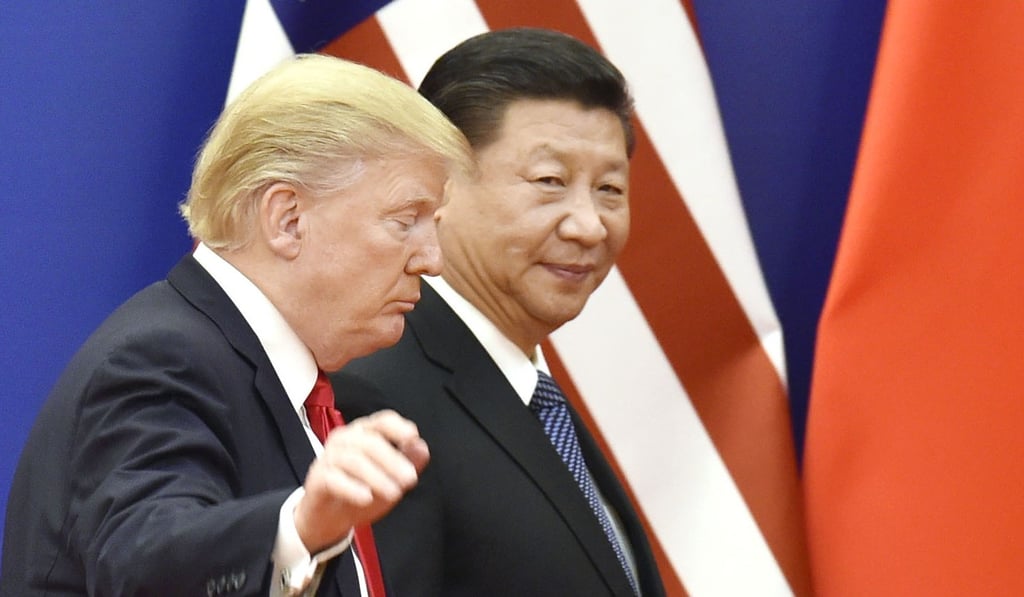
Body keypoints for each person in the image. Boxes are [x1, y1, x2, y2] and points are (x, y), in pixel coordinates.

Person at [0, 53, 471, 597]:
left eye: (432, 226)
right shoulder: (163, 356)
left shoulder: (320, 393)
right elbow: (141, 558)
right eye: (405, 220)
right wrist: (299, 525)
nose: (433, 260)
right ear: (288, 219)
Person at [332, 28, 666, 597]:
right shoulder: (375, 394)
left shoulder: (530, 390)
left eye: (610, 189)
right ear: (439, 184)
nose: (589, 225)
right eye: (549, 182)